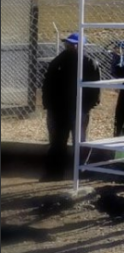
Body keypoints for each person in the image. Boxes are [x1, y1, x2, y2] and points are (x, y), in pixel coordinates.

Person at [41, 34, 101, 181]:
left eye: (73, 44)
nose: (69, 46)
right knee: (57, 141)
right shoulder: (58, 61)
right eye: (67, 43)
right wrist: (48, 104)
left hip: (79, 108)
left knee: (79, 141)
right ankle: (54, 173)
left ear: (81, 46)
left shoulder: (89, 62)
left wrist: (88, 106)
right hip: (59, 108)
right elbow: (47, 84)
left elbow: (95, 88)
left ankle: (79, 173)